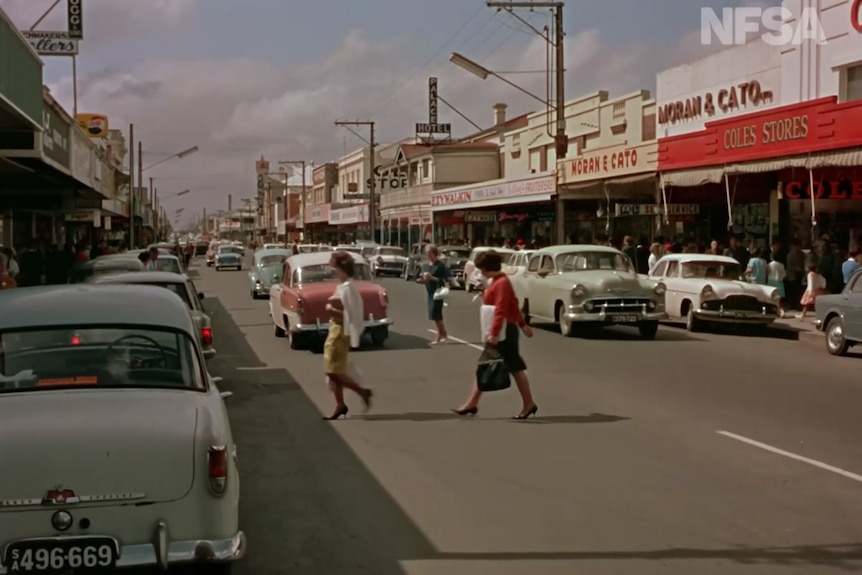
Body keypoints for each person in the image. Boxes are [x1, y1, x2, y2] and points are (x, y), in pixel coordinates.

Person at [453, 251, 537, 419]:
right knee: (493, 364)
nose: (481, 273)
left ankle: (528, 404)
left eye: (482, 269)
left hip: (503, 331)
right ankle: (472, 403)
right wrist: (522, 324)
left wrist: (494, 333)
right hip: (504, 328)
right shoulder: (497, 281)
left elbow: (501, 309)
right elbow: (513, 305)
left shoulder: (501, 283)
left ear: (489, 268)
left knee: (504, 366)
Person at [322, 251, 374, 420]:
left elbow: (350, 314)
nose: (333, 271)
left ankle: (362, 392)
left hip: (340, 332)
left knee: (331, 370)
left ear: (342, 269)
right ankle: (340, 404)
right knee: (335, 370)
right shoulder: (343, 286)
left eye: (335, 268)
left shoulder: (348, 288)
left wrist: (331, 310)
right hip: (335, 330)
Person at [417, 244, 449, 344]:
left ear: (435, 253)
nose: (428, 255)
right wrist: (422, 280)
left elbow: (443, 280)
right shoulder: (427, 265)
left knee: (436, 314)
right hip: (430, 292)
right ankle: (443, 333)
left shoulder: (440, 266)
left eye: (430, 253)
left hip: (437, 293)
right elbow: (424, 279)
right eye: (427, 253)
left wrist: (432, 278)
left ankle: (440, 335)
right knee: (434, 315)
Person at [767, 252, 787, 317]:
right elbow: (784, 275)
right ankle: (781, 311)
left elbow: (767, 273)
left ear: (771, 257)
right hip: (779, 282)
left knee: (771, 298)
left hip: (771, 282)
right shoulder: (782, 265)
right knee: (779, 299)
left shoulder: (769, 265)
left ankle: (774, 311)